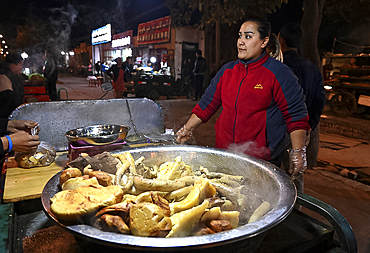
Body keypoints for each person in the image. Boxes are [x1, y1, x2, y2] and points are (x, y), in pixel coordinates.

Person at [176, 16, 309, 180]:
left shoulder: (279, 73)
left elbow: (296, 115)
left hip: (261, 159)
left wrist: (298, 153)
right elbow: (207, 104)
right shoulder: (227, 71)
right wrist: (187, 129)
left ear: (264, 41)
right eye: (239, 36)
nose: (240, 41)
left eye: (248, 36)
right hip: (225, 154)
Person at [278, 23, 326, 179]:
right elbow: (319, 101)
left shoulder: (278, 67)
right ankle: (296, 204)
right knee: (296, 176)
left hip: (279, 131)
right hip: (302, 131)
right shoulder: (312, 68)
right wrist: (309, 126)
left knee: (274, 175)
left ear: (282, 41)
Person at [0, 53, 25, 119]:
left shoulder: (13, 76)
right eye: (20, 65)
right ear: (12, 65)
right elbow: (7, 101)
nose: (21, 68)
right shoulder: (3, 77)